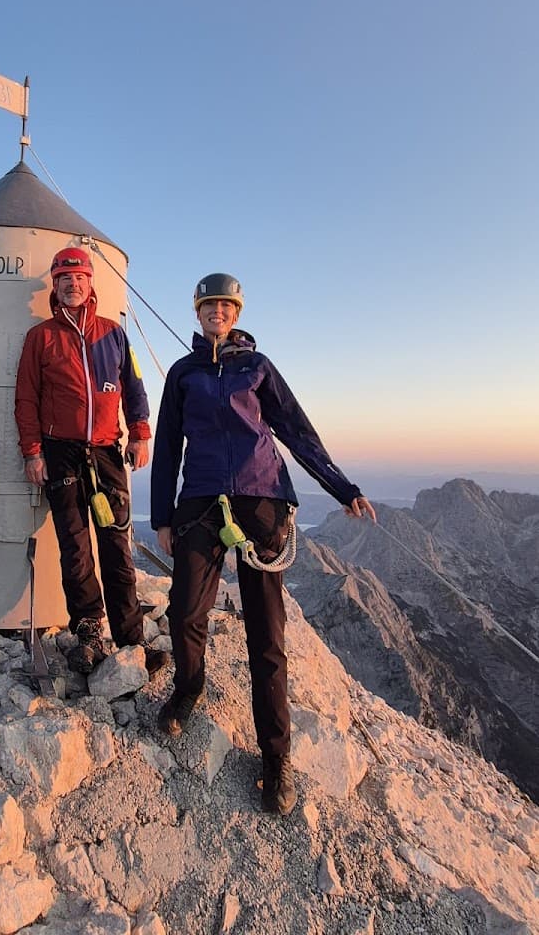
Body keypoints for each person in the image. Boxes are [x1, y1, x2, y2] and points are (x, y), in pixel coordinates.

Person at [151, 272, 376, 816]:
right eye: (209, 306)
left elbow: (296, 431)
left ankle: (276, 759)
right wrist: (161, 515)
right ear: (198, 313)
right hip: (202, 499)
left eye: (225, 306)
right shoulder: (183, 372)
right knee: (184, 611)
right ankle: (189, 687)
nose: (217, 313)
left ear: (237, 312)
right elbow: (166, 448)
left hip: (262, 500)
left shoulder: (256, 367)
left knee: (266, 634)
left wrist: (341, 487)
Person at [14, 246, 166, 677]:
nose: (73, 284)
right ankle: (89, 634)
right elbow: (25, 399)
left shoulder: (113, 335)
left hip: (106, 452)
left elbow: (133, 385)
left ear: (90, 282)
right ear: (55, 286)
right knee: (75, 548)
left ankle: (131, 639)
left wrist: (140, 432)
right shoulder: (40, 337)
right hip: (59, 453)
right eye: (64, 278)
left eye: (80, 277)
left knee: (116, 546)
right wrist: (32, 452)